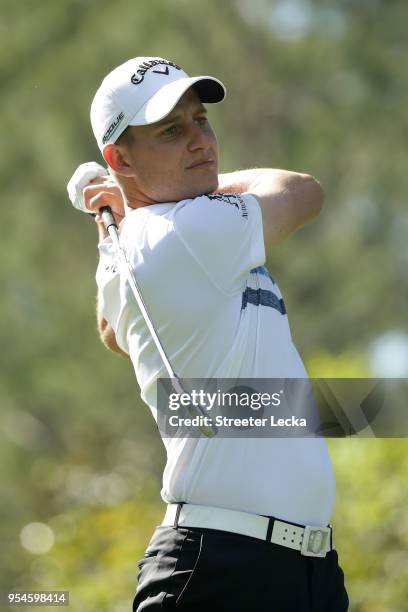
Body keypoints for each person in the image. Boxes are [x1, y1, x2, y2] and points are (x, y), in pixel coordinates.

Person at [74, 56, 349, 611]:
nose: (200, 141)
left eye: (201, 120)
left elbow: (114, 331)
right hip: (221, 567)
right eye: (171, 131)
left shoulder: (149, 242)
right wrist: (156, 201)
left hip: (307, 570)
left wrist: (133, 206)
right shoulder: (189, 229)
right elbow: (302, 190)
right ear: (118, 159)